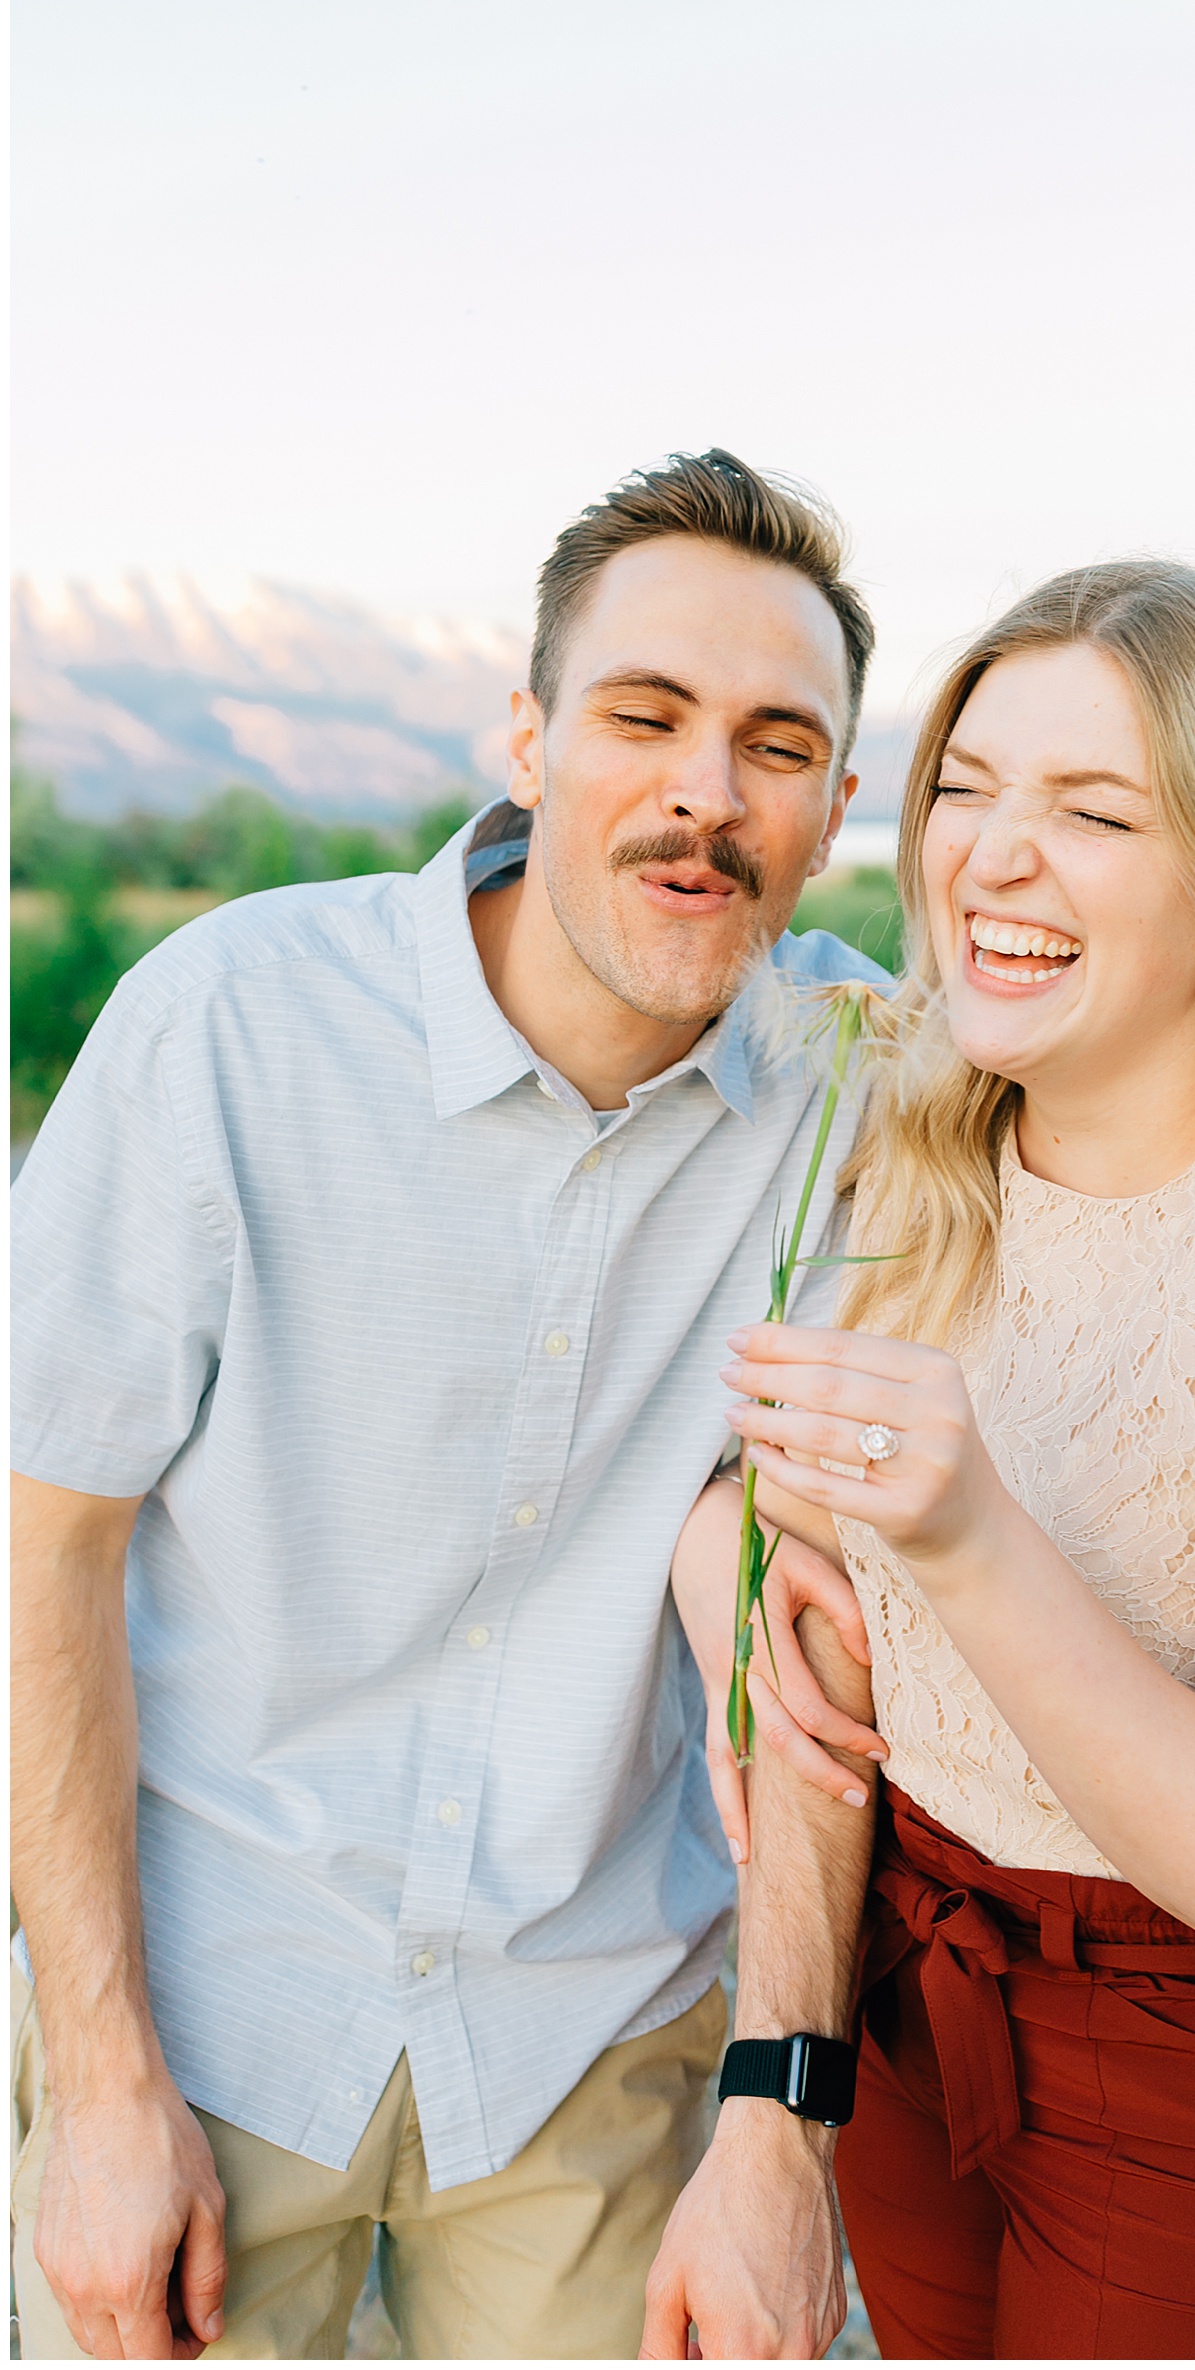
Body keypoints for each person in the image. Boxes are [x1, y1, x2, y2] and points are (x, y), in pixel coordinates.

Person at [11, 448, 892, 2361]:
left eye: (775, 743)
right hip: (211, 2009)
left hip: (595, 2043)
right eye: (643, 717)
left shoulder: (853, 1096)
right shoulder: (230, 1023)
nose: (701, 792)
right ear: (528, 736)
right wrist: (95, 2081)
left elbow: (814, 1633)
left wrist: (783, 2113)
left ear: (836, 803)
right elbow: (42, 1536)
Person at [669, 558, 1195, 2359]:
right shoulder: (921, 1148)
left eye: (1092, 810)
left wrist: (973, 1534)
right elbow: (810, 1515)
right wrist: (721, 1553)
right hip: (926, 2026)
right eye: (966, 789)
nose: (990, 854)